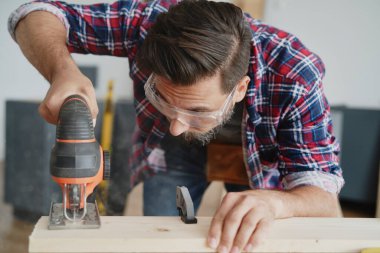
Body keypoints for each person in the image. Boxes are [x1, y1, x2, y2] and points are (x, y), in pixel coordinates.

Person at [9, 0, 344, 252]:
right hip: (170, 158)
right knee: (162, 239)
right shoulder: (149, 25)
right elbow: (32, 13)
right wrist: (61, 70)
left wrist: (276, 203)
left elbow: (324, 200)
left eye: (197, 110)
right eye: (164, 98)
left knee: (247, 235)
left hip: (259, 161)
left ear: (240, 88)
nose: (177, 127)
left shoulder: (294, 73)